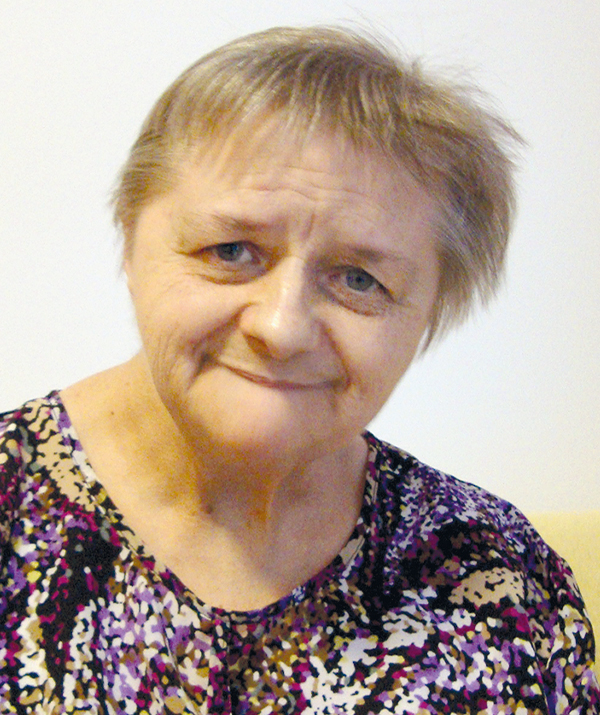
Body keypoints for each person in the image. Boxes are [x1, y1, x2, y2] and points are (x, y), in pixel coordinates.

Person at [0, 25, 597, 714]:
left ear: (430, 315)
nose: (281, 328)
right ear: (130, 243)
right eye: (231, 250)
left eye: (359, 279)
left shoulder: (500, 578)